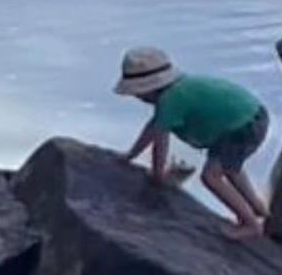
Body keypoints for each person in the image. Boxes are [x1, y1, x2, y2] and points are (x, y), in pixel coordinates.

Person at [114, 47, 270, 240]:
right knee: (230, 168)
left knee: (211, 177)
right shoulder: (179, 89)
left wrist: (157, 175)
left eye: (138, 93)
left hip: (240, 126)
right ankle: (258, 208)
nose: (137, 98)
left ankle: (251, 224)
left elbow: (160, 143)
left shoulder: (171, 100)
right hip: (253, 115)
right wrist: (131, 155)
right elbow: (152, 129)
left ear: (148, 90)